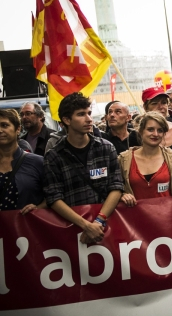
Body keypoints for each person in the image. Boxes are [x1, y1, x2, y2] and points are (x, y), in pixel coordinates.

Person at [43, 92, 123, 244]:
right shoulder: (54, 156)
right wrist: (86, 226)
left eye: (89, 113)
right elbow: (54, 198)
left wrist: (99, 221)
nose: (89, 119)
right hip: (71, 230)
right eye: (81, 114)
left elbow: (116, 186)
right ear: (66, 120)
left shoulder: (106, 148)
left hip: (107, 226)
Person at [118, 112, 172, 206]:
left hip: (166, 215)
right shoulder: (123, 159)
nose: (155, 134)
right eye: (150, 129)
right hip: (133, 217)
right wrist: (122, 195)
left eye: (160, 130)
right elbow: (117, 189)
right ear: (141, 131)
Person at [0, 109, 46, 213]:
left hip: (25, 226)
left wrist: (38, 208)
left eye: (5, 125)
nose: (0, 130)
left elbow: (54, 195)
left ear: (18, 129)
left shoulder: (37, 162)